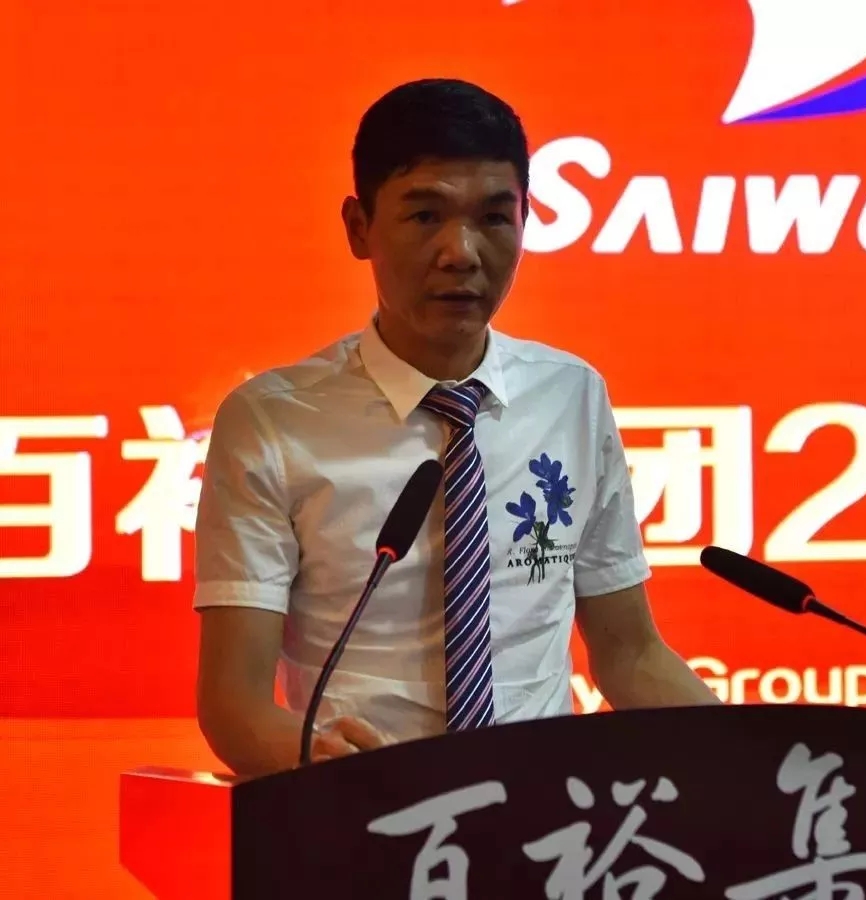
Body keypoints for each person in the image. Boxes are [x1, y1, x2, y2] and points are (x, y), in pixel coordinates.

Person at [193, 77, 719, 777]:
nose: (461, 252)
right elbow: (233, 703)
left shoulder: (569, 394)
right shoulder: (273, 420)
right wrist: (322, 764)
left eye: (495, 218)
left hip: (548, 810)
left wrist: (755, 758)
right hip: (366, 805)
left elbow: (630, 654)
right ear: (359, 227)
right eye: (424, 216)